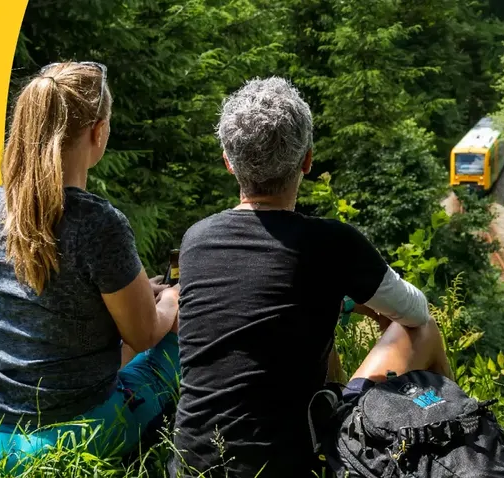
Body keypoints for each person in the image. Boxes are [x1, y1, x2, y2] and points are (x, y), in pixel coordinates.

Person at [170, 77, 442, 477]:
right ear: (308, 161)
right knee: (424, 331)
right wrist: (354, 296)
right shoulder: (332, 242)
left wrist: (340, 298)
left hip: (194, 465)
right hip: (292, 468)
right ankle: (463, 438)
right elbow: (415, 311)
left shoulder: (196, 240)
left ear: (228, 162)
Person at [0, 61, 183, 472]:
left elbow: (53, 308)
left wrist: (139, 295)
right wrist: (170, 299)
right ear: (98, 131)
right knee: (179, 347)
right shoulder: (97, 222)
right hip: (67, 437)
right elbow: (144, 332)